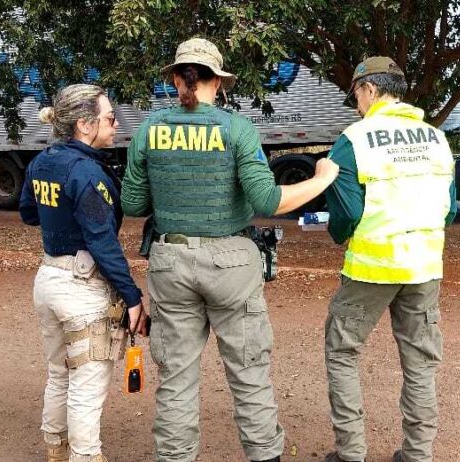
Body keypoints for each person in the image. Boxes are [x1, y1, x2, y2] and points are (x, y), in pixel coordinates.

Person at [121, 37, 339, 462]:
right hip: (232, 265)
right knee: (249, 374)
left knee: (177, 380)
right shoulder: (237, 129)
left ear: (174, 78)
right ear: (217, 83)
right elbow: (267, 201)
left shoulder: (149, 130)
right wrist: (322, 179)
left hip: (170, 263)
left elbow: (132, 204)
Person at [322, 57, 456, 462]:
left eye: (357, 95)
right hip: (424, 268)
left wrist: (339, 235)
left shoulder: (355, 139)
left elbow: (345, 213)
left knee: (342, 352)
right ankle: (417, 454)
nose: (357, 105)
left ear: (372, 90)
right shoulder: (435, 138)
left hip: (371, 268)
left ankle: (351, 454)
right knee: (419, 361)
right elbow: (448, 209)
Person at [20, 84, 148, 462]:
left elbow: (29, 212)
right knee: (86, 388)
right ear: (84, 125)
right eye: (110, 118)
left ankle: (55, 449)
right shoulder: (87, 172)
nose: (116, 124)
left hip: (48, 280)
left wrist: (59, 217)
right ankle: (86, 457)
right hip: (82, 290)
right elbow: (103, 243)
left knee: (59, 373)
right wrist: (133, 297)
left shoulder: (42, 161)